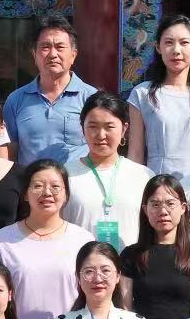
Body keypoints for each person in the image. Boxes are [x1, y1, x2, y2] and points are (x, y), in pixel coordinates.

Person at [0, 161, 98, 319]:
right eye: (38, 186)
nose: (47, 192)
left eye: (55, 187)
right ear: (25, 194)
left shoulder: (83, 240)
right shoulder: (2, 240)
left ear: (66, 194)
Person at [125, 15, 190, 176]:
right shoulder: (142, 94)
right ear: (158, 47)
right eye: (169, 42)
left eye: (184, 43)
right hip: (158, 183)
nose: (176, 50)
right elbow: (135, 154)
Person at [1, 19, 99, 169]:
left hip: (78, 182)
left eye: (60, 47)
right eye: (45, 47)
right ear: (34, 55)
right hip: (31, 182)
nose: (53, 54)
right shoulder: (16, 100)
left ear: (73, 55)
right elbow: (8, 150)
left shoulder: (91, 99)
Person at [63, 93, 151, 250]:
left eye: (109, 127)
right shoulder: (65, 174)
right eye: (93, 126)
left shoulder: (143, 176)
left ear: (124, 129)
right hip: (78, 263)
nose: (101, 135)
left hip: (130, 264)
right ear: (82, 128)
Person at [116, 174, 190, 319]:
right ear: (145, 209)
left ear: (183, 208)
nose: (163, 211)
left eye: (170, 203)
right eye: (155, 204)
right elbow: (125, 309)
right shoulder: (131, 256)